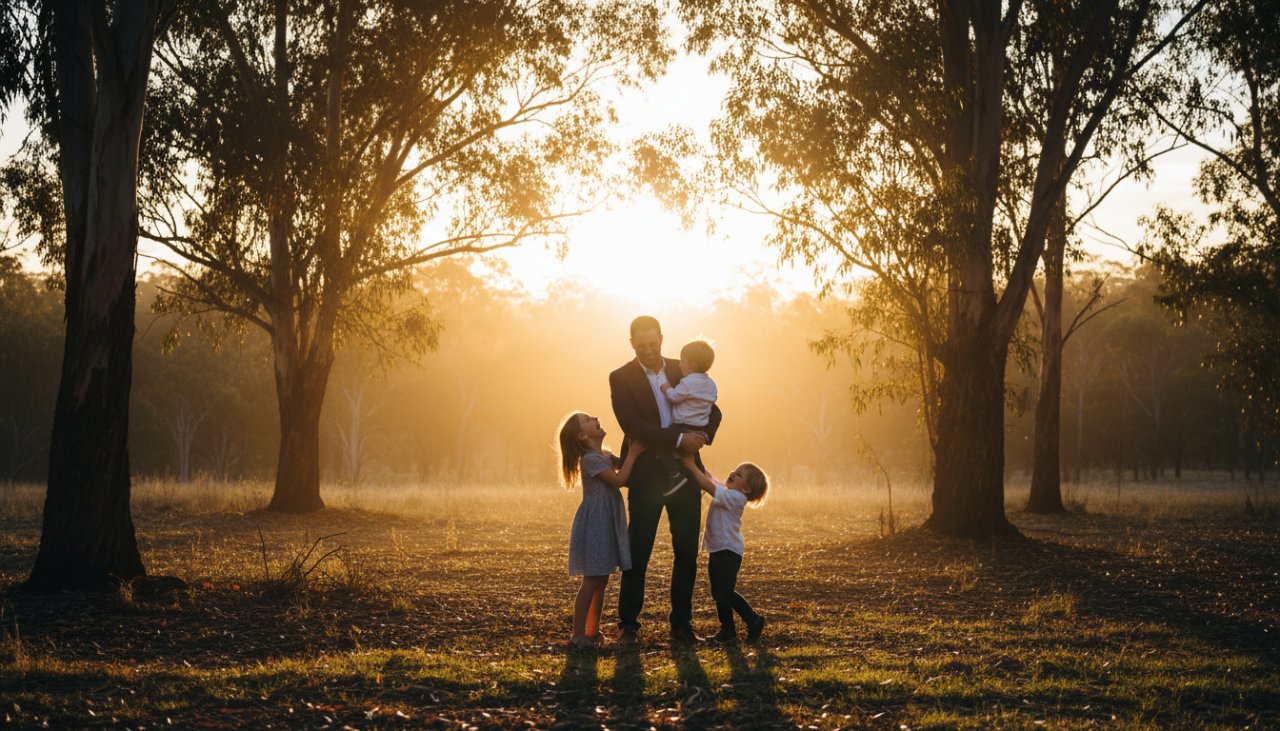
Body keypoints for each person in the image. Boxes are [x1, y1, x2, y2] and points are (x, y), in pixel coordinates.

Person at [610, 316, 722, 645]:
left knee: (686, 550)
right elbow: (632, 424)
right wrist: (677, 440)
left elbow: (714, 411)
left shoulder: (685, 368)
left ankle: (682, 624)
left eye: (653, 343)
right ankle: (629, 624)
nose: (648, 350)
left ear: (661, 338)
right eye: (641, 345)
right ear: (632, 343)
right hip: (645, 475)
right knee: (638, 550)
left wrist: (701, 435)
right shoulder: (621, 377)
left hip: (686, 471)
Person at [558, 412, 645, 649]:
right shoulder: (590, 459)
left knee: (602, 578)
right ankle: (578, 635)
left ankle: (592, 631)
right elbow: (619, 480)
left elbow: (621, 464)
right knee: (592, 578)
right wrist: (634, 454)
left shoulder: (604, 455)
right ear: (581, 435)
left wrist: (631, 449)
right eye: (587, 419)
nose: (595, 417)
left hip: (607, 520)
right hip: (596, 522)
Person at [681, 454, 769, 643]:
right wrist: (701, 468)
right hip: (719, 549)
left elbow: (709, 486)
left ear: (745, 488)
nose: (732, 473)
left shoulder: (736, 498)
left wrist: (690, 465)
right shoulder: (729, 490)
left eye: (738, 475)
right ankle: (728, 630)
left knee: (724, 592)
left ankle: (753, 620)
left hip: (729, 552)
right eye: (734, 470)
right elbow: (712, 480)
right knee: (719, 592)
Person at [658, 339, 718, 494]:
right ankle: (703, 476)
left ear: (692, 365)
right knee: (693, 457)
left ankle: (674, 474)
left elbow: (674, 397)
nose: (679, 364)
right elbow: (712, 403)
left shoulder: (688, 382)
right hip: (699, 427)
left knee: (662, 444)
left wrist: (666, 388)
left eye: (683, 361)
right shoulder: (711, 384)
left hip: (683, 425)